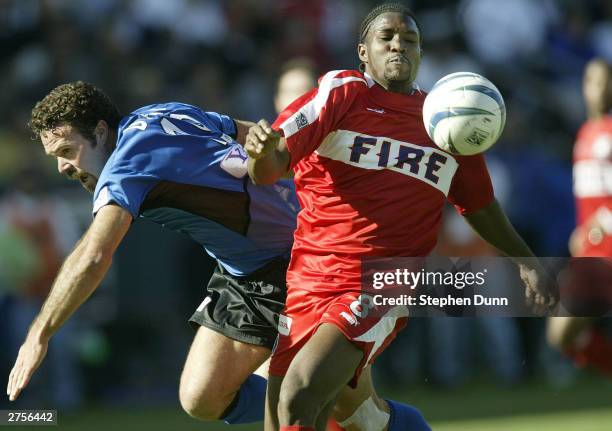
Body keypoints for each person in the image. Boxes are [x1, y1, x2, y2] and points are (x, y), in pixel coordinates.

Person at [5, 81, 419, 430]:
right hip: (246, 271)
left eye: (66, 150)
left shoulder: (126, 165)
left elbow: (95, 254)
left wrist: (39, 334)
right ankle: (319, 400)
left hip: (300, 262)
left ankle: (322, 403)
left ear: (99, 131)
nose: (62, 167)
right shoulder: (160, 112)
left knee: (353, 415)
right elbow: (251, 133)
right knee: (202, 397)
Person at [245, 3, 555, 430]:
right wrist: (261, 154)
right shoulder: (342, 93)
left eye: (410, 39)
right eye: (386, 37)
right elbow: (269, 170)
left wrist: (525, 261)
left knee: (301, 391)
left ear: (421, 53)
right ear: (363, 51)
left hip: (386, 278)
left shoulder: (444, 121)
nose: (398, 45)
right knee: (286, 418)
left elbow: (479, 205)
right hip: (310, 277)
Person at [548, 59, 612, 375]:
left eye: (604, 81)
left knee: (565, 331)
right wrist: (582, 230)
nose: (597, 88)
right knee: (561, 335)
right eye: (591, 80)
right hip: (591, 251)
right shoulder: (586, 133)